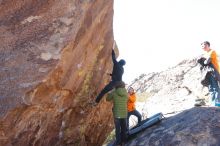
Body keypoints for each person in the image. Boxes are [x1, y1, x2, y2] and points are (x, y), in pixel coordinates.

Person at [106, 81, 128, 146]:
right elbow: (127, 99)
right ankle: (124, 142)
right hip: (124, 113)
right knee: (124, 128)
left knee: (118, 129)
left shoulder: (114, 92)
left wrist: (109, 93)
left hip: (117, 113)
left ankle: (118, 143)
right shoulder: (125, 92)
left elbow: (107, 99)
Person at [200, 41, 220, 106]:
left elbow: (207, 61)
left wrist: (203, 61)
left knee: (215, 87)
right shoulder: (204, 54)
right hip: (207, 73)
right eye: (202, 46)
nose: (203, 47)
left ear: (208, 45)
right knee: (210, 88)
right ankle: (213, 103)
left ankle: (217, 103)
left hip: (213, 72)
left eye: (205, 45)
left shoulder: (212, 52)